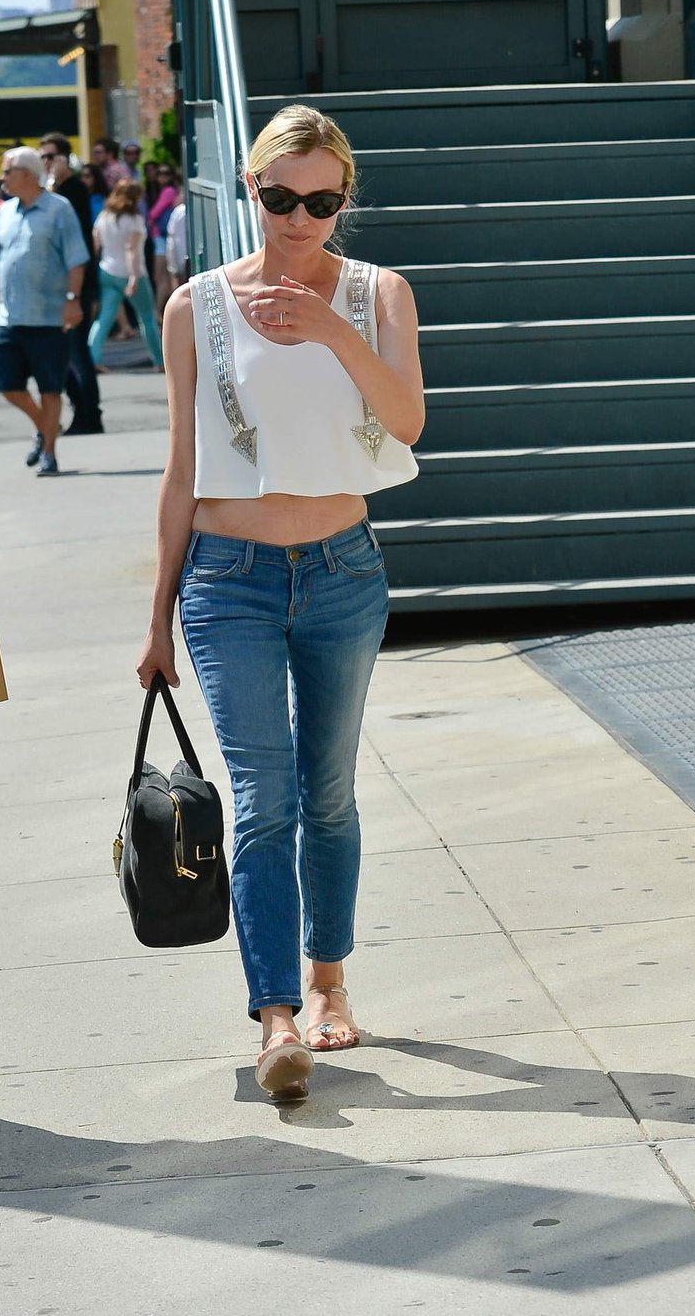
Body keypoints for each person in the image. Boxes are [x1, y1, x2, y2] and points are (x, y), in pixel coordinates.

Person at [136, 104, 424, 1102]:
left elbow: (407, 418)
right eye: (280, 197)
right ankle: (275, 1016)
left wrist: (334, 328)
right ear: (250, 191)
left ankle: (331, 978)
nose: (300, 218)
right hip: (228, 581)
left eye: (323, 201)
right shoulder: (197, 307)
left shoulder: (378, 293)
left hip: (342, 573)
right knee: (262, 801)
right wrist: (158, 615)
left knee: (329, 793)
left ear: (345, 201)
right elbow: (181, 469)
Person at [0, 146, 90, 477]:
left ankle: (49, 453)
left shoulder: (59, 209)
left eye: (7, 172)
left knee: (50, 388)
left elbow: (76, 258)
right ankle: (46, 427)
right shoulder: (3, 213)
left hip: (48, 316)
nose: (1, 178)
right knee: (5, 383)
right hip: (9, 316)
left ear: (27, 175)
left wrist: (73, 299)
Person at [40, 134, 104, 435]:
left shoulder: (73, 190)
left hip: (77, 286)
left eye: (52, 156)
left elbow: (75, 241)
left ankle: (90, 414)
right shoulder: (53, 191)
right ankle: (82, 407)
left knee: (77, 353)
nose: (47, 163)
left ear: (65, 158)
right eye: (43, 157)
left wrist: (79, 294)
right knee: (60, 354)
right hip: (58, 287)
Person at [87, 179, 161, 370]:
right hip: (132, 273)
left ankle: (92, 359)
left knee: (104, 318)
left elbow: (95, 242)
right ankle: (159, 361)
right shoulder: (134, 218)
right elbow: (131, 249)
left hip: (107, 270)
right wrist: (135, 276)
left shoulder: (104, 215)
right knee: (147, 318)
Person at [148, 166, 182, 316]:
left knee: (161, 277)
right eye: (159, 173)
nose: (162, 176)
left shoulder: (168, 191)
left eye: (166, 173)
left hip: (161, 237)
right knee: (164, 277)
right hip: (162, 236)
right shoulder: (163, 190)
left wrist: (149, 222)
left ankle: (157, 311)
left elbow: (154, 213)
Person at [164, 198, 188, 293]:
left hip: (182, 264)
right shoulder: (180, 212)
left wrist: (173, 267)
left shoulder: (178, 212)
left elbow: (171, 242)